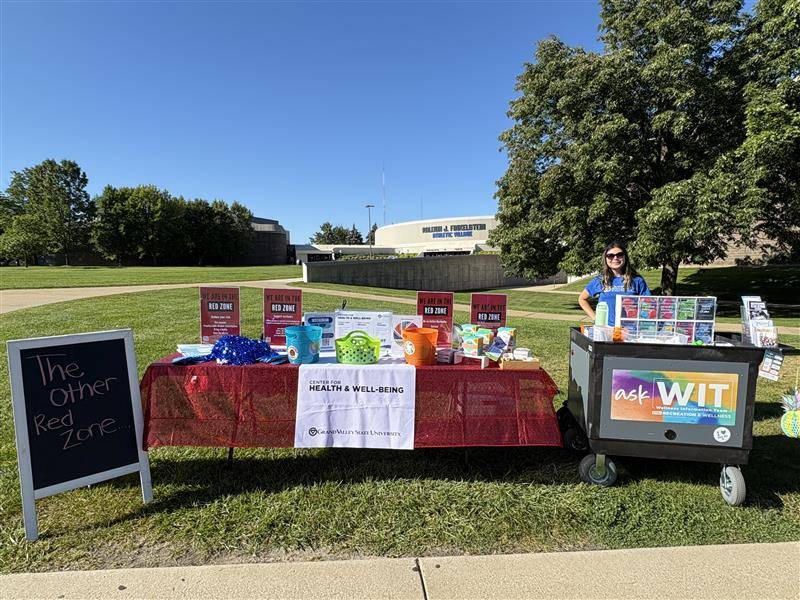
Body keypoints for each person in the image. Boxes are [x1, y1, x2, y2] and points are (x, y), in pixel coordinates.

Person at [578, 242, 650, 325]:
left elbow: (648, 304)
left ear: (625, 257)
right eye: (610, 255)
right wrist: (595, 318)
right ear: (606, 259)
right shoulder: (600, 280)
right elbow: (582, 299)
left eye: (619, 254)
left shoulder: (637, 280)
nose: (615, 258)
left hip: (630, 329)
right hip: (606, 329)